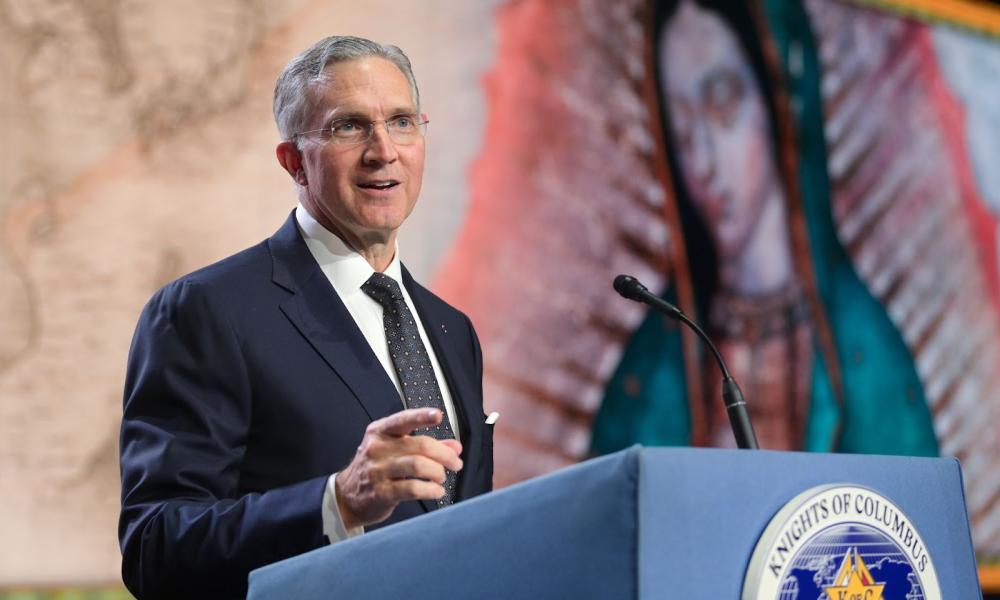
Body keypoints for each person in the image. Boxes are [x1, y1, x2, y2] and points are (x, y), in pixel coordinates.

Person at [118, 36, 493, 599]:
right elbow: (156, 548)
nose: (383, 150)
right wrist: (337, 501)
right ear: (293, 161)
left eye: (401, 122)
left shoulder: (451, 328)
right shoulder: (209, 310)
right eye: (349, 126)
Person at [590, 0, 937, 456]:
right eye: (684, 133)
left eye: (723, 106)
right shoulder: (656, 366)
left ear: (780, 105)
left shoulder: (863, 354)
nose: (704, 165)